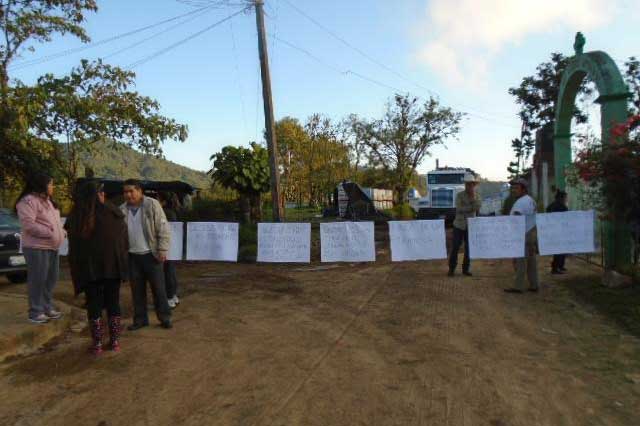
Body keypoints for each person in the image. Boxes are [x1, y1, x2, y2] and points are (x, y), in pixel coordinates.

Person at [67, 181, 129, 355]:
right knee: (113, 302)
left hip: (89, 270)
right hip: (112, 267)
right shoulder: (113, 213)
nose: (104, 195)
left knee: (93, 304)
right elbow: (122, 242)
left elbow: (74, 249)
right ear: (98, 194)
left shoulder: (76, 216)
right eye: (102, 192)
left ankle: (97, 344)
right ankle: (115, 341)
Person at [120, 179, 172, 330]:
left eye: (131, 191)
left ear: (139, 190)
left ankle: (165, 317)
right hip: (132, 256)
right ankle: (140, 320)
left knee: (159, 289)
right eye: (125, 192)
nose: (128, 195)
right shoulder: (122, 209)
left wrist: (162, 249)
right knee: (137, 290)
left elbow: (163, 227)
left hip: (151, 255)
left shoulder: (152, 204)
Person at [15, 173, 66, 324]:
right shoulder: (28, 201)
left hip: (52, 247)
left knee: (51, 279)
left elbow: (53, 222)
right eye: (50, 184)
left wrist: (61, 232)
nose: (53, 187)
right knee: (38, 279)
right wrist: (50, 232)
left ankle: (46, 307)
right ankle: (35, 312)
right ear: (41, 184)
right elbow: (28, 225)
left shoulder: (49, 202)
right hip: (36, 247)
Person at [505, 178, 539, 294]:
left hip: (522, 234)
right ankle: (534, 284)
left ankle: (518, 286)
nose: (514, 190)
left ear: (524, 189)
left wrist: (511, 233)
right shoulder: (531, 200)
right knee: (531, 261)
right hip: (531, 232)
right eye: (513, 188)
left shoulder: (521, 202)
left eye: (516, 188)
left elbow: (516, 219)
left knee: (520, 261)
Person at [448, 173, 482, 277]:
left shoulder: (477, 196)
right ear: (465, 184)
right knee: (455, 247)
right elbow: (459, 209)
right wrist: (471, 206)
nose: (469, 186)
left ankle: (465, 269)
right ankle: (451, 269)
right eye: (467, 184)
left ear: (474, 185)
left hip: (471, 226)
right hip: (458, 225)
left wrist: (468, 204)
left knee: (469, 248)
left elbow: (478, 206)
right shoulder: (459, 195)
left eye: (471, 184)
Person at [158, 192, 180, 309]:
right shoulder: (172, 211)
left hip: (166, 246)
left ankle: (169, 297)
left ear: (163, 201)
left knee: (167, 272)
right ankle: (173, 296)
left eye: (158, 198)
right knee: (171, 271)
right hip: (172, 246)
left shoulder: (165, 213)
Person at [546, 190, 569, 274]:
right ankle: (556, 268)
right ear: (561, 198)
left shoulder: (551, 205)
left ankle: (559, 266)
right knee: (560, 250)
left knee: (558, 250)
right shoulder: (562, 206)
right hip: (560, 231)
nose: (566, 199)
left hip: (553, 230)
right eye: (565, 197)